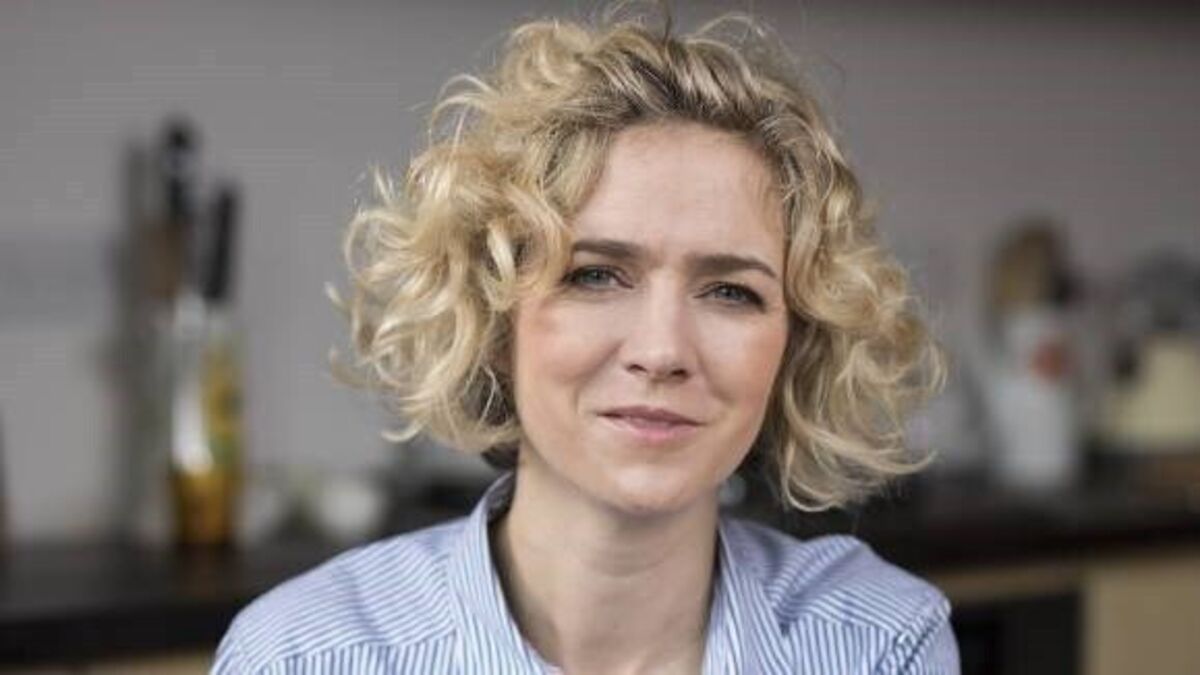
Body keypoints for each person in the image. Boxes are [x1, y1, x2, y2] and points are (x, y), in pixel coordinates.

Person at [213, 7, 958, 674]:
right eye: (595, 275)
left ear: (795, 342)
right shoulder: (304, 656)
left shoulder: (877, 644)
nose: (662, 351)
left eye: (731, 291)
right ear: (492, 316)